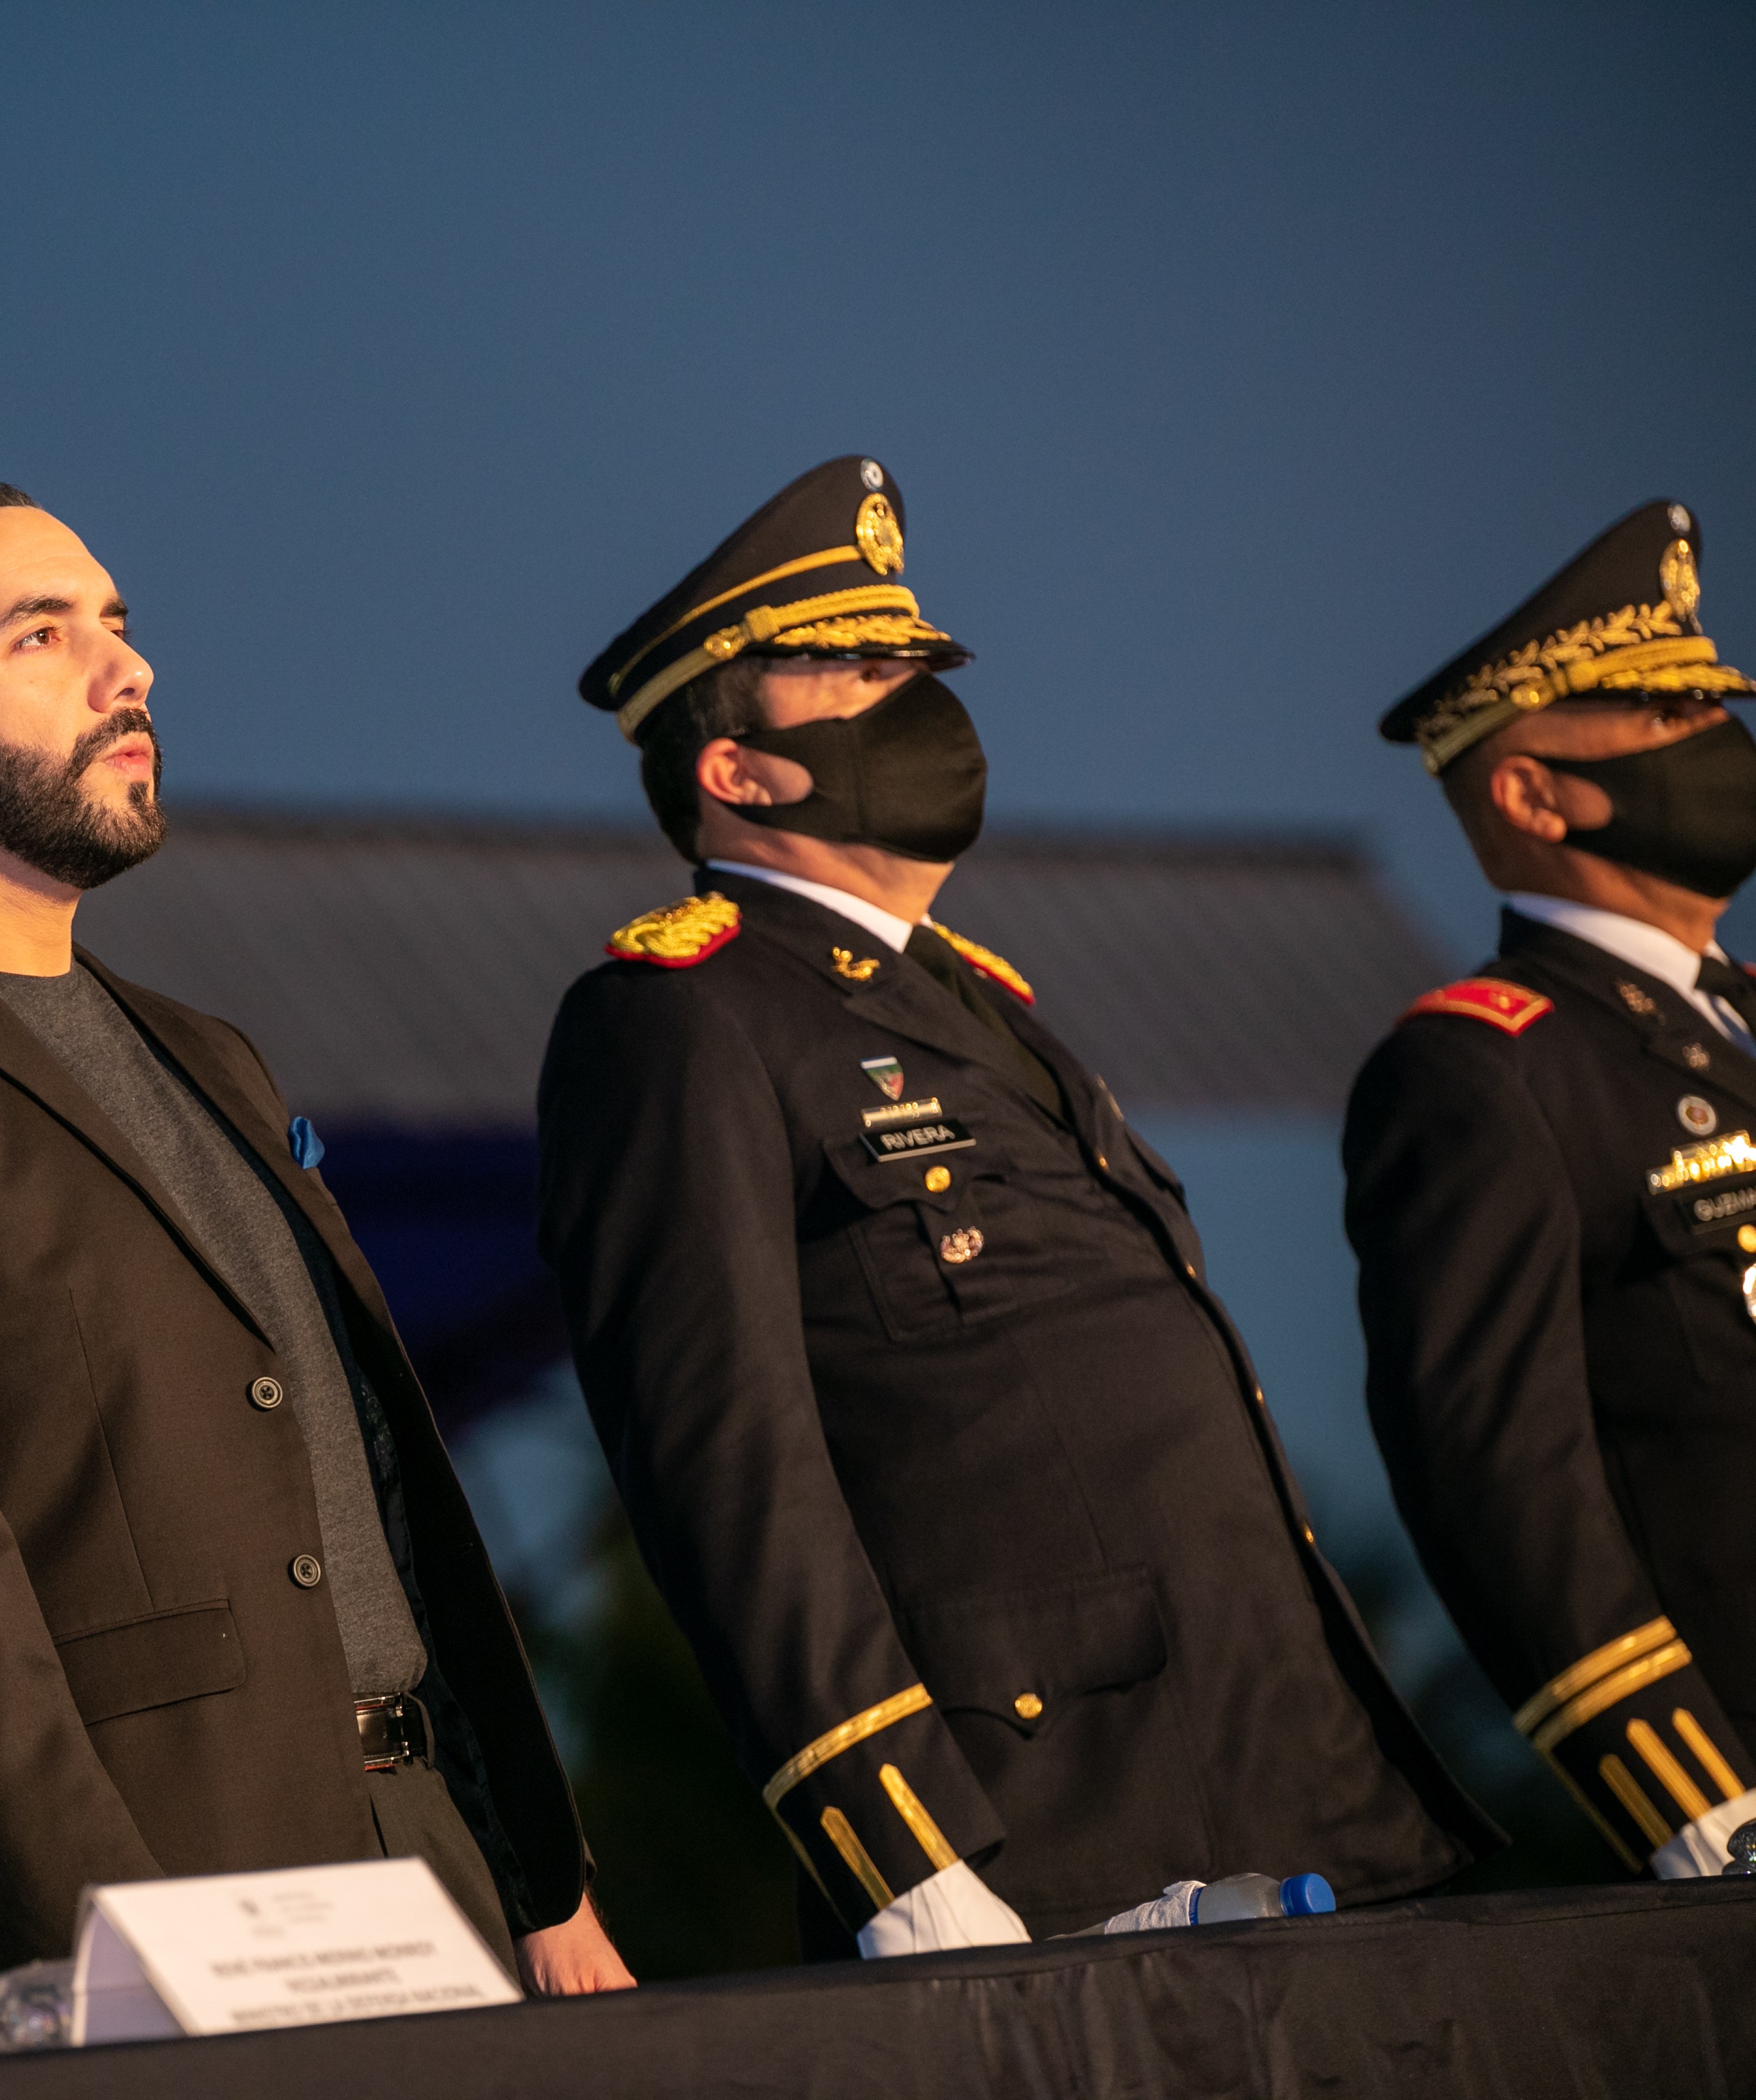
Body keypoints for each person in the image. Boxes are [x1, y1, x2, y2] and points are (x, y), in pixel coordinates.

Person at [535, 456, 1500, 1957]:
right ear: (736, 768)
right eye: (859, 673)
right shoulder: (678, 1019)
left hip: (1295, 1790)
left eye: (919, 666)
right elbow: (723, 1461)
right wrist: (902, 1859)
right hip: (1045, 1845)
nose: (917, 699)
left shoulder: (985, 1005)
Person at [0, 481, 630, 1992]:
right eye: (42, 635)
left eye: (117, 626)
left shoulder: (212, 1056)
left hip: (441, 1853)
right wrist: (97, 1944)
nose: (127, 671)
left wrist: (540, 1879)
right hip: (185, 1890)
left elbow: (375, 1471)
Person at [1343, 498, 1756, 1879]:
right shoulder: (1482, 1073)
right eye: (1663, 714)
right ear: (1530, 795)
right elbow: (1496, 1476)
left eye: (1714, 706)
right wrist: (1698, 1809)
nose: (1716, 740)